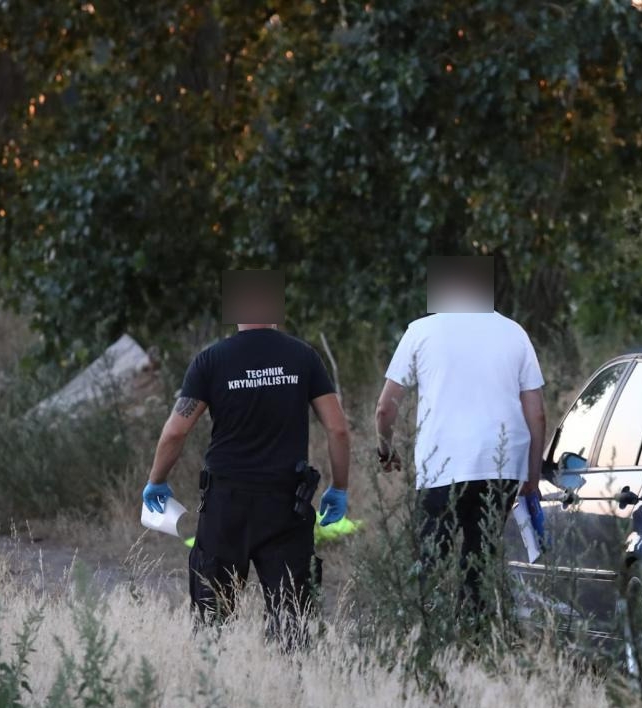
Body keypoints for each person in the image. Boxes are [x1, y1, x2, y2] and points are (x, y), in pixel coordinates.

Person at [141, 272, 351, 643]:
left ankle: (218, 689)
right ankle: (293, 690)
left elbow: (176, 431)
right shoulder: (303, 356)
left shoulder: (211, 361)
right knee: (293, 620)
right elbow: (337, 429)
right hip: (287, 504)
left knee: (213, 620)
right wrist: (339, 487)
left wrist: (156, 479)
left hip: (227, 504)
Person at [375, 257, 547, 623]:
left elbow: (385, 408)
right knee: (479, 558)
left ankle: (429, 637)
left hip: (441, 466)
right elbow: (537, 413)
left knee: (431, 561)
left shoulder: (421, 331)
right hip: (501, 466)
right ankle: (476, 636)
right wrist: (531, 478)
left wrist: (385, 449)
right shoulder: (514, 332)